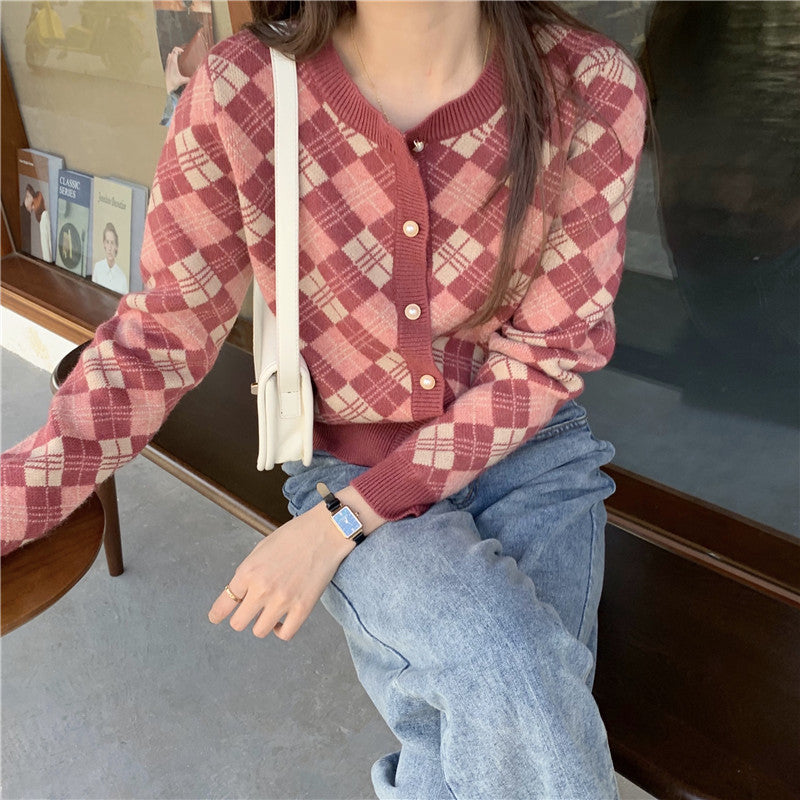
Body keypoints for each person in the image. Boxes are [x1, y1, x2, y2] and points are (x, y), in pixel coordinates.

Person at [1, 2, 646, 797]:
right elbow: (161, 338)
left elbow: (545, 360)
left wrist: (342, 523)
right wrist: (11, 504)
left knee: (499, 710)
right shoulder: (243, 90)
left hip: (529, 455)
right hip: (349, 457)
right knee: (516, 676)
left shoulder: (588, 86)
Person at [91, 222, 129, 294]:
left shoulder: (122, 277)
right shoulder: (98, 268)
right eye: (107, 242)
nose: (109, 248)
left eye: (112, 243)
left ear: (116, 246)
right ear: (104, 244)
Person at [22, 184, 52, 262]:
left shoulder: (44, 217)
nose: (32, 208)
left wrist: (47, 263)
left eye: (33, 205)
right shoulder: (45, 216)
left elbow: (46, 245)